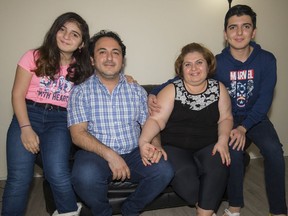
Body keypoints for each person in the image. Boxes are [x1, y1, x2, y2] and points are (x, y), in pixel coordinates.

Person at [148, 5, 287, 216]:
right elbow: (181, 79)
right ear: (225, 33)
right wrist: (152, 93)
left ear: (254, 32)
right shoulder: (217, 62)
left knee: (275, 153)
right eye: (233, 27)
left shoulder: (267, 60)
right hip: (227, 117)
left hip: (255, 119)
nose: (239, 33)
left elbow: (265, 99)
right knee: (233, 152)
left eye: (245, 27)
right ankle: (234, 208)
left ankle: (278, 211)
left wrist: (244, 127)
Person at [67, 30, 174, 216]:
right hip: (97, 154)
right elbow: (78, 134)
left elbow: (151, 123)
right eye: (102, 52)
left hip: (134, 152)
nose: (109, 57)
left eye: (115, 52)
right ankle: (103, 212)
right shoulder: (80, 92)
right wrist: (111, 156)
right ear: (92, 59)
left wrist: (155, 145)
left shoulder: (136, 90)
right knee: (84, 175)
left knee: (164, 170)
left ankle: (130, 210)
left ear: (122, 60)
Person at [2, 12, 92, 216]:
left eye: (75, 34)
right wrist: (25, 128)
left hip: (60, 120)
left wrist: (126, 78)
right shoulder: (33, 56)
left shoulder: (84, 68)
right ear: (55, 31)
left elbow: (107, 74)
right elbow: (17, 94)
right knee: (19, 178)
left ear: (81, 44)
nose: (67, 36)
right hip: (28, 114)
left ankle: (68, 212)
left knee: (57, 173)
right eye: (63, 29)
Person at [139, 42, 233, 216]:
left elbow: (226, 118)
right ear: (181, 69)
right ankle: (204, 208)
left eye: (199, 62)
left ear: (208, 65)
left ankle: (204, 213)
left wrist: (222, 141)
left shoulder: (219, 89)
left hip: (209, 144)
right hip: (175, 146)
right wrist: (143, 141)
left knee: (218, 166)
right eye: (187, 64)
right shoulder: (171, 90)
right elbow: (156, 120)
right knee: (184, 176)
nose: (193, 68)